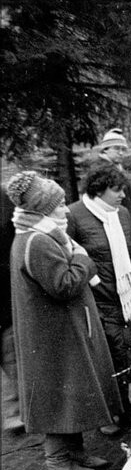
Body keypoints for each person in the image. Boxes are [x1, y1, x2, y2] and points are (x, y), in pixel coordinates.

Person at [6, 171, 120, 470]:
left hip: (57, 332)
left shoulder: (38, 235)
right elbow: (63, 285)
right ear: (42, 210)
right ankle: (57, 459)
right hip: (52, 335)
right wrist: (83, 259)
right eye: (57, 206)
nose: (65, 210)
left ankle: (75, 452)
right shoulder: (38, 241)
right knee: (58, 394)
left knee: (67, 393)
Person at [67, 167, 131, 434]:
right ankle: (112, 414)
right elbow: (72, 258)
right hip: (98, 301)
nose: (123, 196)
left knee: (130, 353)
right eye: (117, 190)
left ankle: (124, 409)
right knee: (109, 357)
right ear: (99, 190)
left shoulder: (122, 214)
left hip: (126, 298)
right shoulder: (75, 215)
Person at [2, 188, 44, 444]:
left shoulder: (5, 205)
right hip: (6, 298)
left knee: (11, 355)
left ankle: (15, 411)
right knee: (11, 355)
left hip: (6, 295)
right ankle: (17, 411)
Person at [84, 128, 131, 276]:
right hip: (113, 223)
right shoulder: (102, 170)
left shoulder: (116, 168)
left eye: (123, 149)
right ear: (105, 149)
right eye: (117, 148)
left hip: (124, 219)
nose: (121, 152)